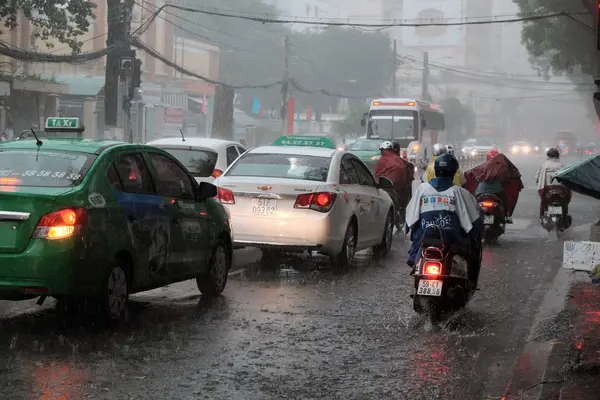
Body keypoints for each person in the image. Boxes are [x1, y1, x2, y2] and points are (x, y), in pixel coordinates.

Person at [405, 154, 484, 283]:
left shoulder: (422, 189)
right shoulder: (459, 192)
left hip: (424, 238)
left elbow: (410, 218)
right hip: (452, 240)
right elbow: (474, 220)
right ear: (454, 172)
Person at [464, 149, 523, 224]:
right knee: (506, 200)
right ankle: (507, 215)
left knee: (474, 204)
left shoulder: (484, 167)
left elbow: (474, 175)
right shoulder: (502, 168)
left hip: (481, 192)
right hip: (497, 192)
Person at [374, 141, 410, 215]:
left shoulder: (383, 160)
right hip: (395, 188)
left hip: (392, 188)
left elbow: (376, 174)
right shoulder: (398, 160)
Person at [535, 148, 571, 218]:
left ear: (548, 156)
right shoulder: (562, 166)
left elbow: (537, 176)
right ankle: (564, 214)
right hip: (561, 191)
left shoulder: (544, 166)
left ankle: (543, 216)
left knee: (544, 203)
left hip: (547, 190)